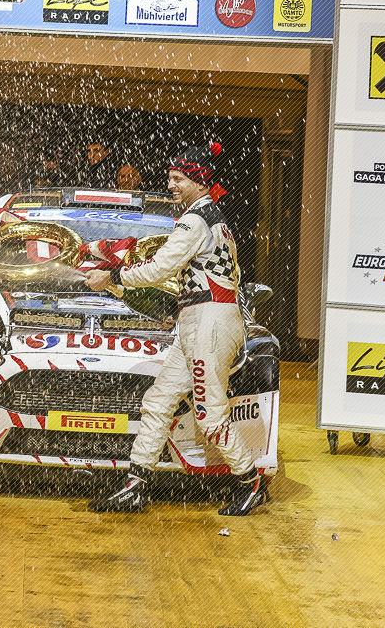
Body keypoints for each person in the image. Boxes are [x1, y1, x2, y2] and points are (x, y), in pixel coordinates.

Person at [83, 141, 268, 517]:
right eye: (169, 177)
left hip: (209, 323)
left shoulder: (195, 220)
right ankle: (136, 486)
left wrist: (113, 275)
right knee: (158, 401)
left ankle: (251, 484)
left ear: (199, 182)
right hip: (201, 320)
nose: (170, 185)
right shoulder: (210, 217)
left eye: (178, 178)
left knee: (210, 415)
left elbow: (159, 269)